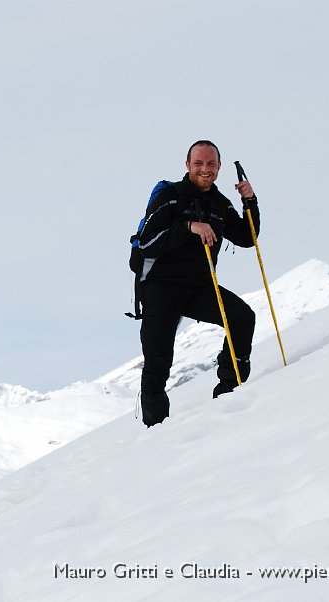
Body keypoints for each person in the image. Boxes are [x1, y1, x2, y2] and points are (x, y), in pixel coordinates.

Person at [135, 140, 260, 427]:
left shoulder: (220, 204)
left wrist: (249, 202)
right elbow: (147, 244)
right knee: (158, 359)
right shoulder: (170, 196)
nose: (205, 169)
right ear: (187, 165)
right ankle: (155, 428)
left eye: (211, 163)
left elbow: (247, 237)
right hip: (161, 287)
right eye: (199, 163)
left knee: (241, 318)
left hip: (199, 287)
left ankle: (229, 391)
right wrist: (188, 227)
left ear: (219, 167)